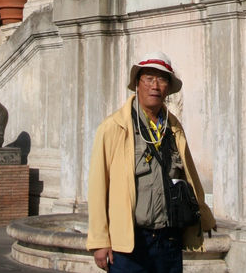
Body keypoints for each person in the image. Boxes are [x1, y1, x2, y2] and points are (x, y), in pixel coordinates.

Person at [87, 51, 216, 272]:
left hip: (169, 239)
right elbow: (98, 187)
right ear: (138, 84)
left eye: (162, 79)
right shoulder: (113, 127)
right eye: (149, 78)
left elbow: (189, 176)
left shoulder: (173, 127)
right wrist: (100, 241)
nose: (155, 86)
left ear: (168, 88)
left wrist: (203, 215)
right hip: (132, 242)